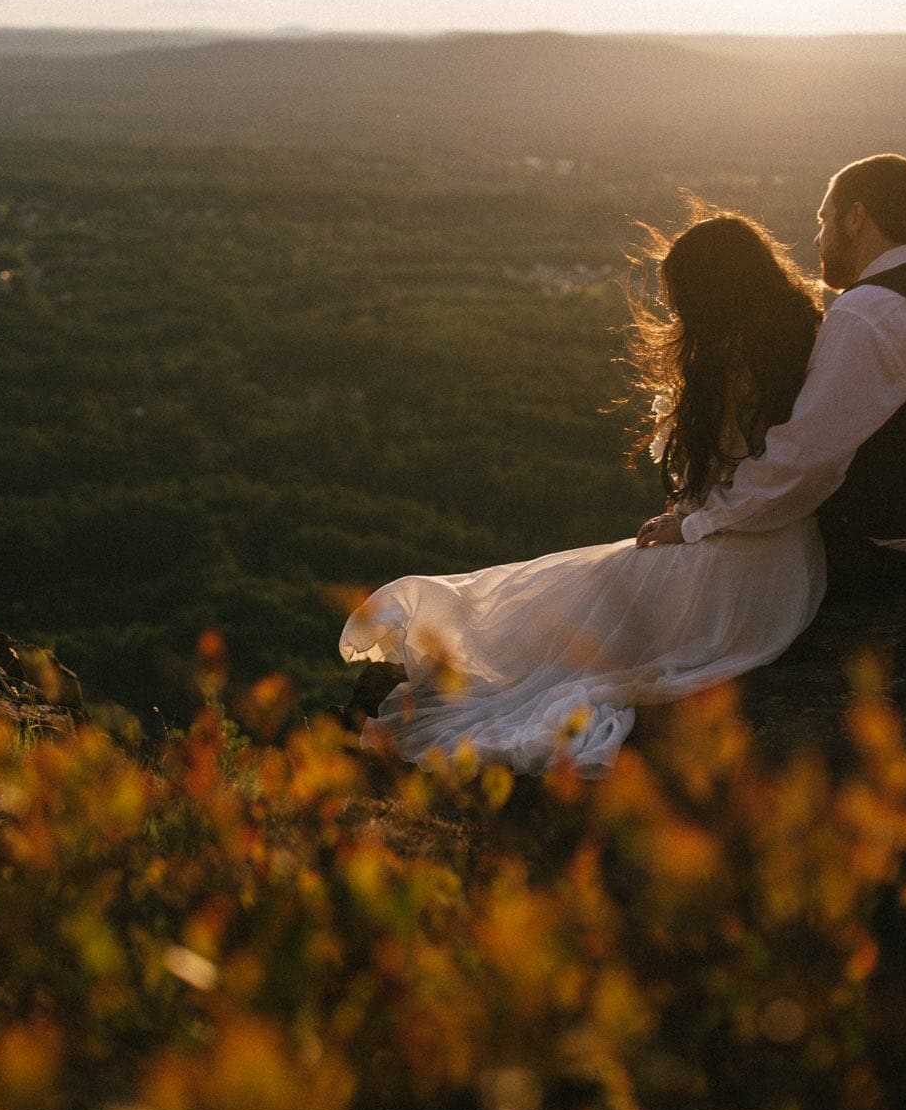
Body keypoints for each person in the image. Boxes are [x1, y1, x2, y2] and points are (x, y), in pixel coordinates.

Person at [339, 211, 829, 773]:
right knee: (604, 577)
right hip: (789, 560)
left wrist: (689, 521)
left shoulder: (737, 364)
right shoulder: (795, 336)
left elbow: (741, 475)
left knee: (596, 583)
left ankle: (464, 647)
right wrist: (692, 517)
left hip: (743, 560)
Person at [635, 154, 906, 601]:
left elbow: (807, 459)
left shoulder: (866, 314)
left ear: (856, 218)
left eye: (823, 219)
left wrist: (699, 523)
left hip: (866, 557)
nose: (816, 238)